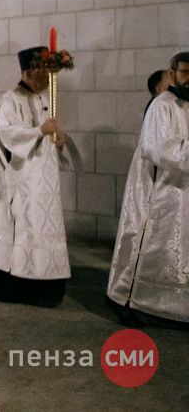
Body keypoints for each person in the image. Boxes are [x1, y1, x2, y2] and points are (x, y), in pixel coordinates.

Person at [0, 46, 72, 308]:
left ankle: (48, 285)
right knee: (26, 230)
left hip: (46, 181)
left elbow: (49, 134)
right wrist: (40, 130)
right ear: (28, 73)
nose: (47, 78)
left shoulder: (43, 98)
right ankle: (22, 286)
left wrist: (58, 140)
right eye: (42, 73)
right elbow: (8, 135)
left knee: (45, 230)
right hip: (24, 180)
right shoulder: (10, 100)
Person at [107, 52, 189, 326]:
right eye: (185, 72)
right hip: (160, 190)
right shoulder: (161, 105)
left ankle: (177, 306)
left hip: (184, 191)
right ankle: (134, 300)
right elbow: (158, 149)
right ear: (172, 73)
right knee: (151, 244)